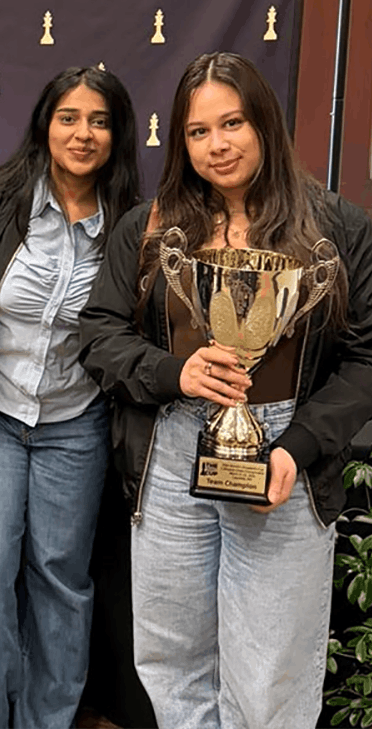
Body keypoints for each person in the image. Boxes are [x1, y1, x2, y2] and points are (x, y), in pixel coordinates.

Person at [79, 52, 372, 729]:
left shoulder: (338, 228)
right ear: (181, 141)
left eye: (233, 122)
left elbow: (364, 358)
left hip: (285, 466)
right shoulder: (149, 229)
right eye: (198, 131)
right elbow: (98, 333)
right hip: (172, 453)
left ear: (264, 122)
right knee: (173, 658)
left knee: (271, 669)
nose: (219, 144)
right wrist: (172, 372)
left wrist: (296, 446)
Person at [0, 66, 141, 728]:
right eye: (69, 117)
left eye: (99, 121)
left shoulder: (132, 224)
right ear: (45, 124)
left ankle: (48, 719)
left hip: (76, 427)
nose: (83, 133)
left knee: (59, 579)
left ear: (118, 134)